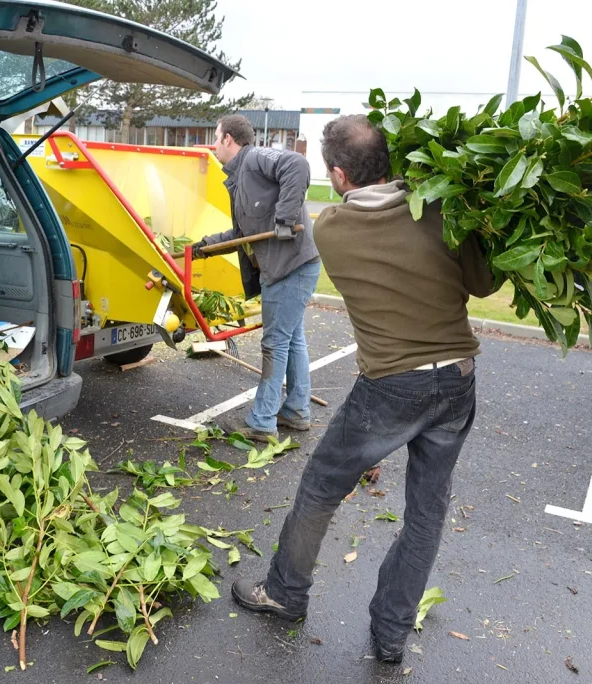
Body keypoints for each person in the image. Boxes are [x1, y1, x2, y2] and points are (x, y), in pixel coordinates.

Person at [230, 114, 498, 664]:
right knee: (427, 511)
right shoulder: (441, 210)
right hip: (457, 380)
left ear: (338, 174)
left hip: (390, 386)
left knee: (322, 487)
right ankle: (392, 634)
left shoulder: (332, 228)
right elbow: (484, 282)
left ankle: (284, 594)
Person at [192, 114, 321, 442]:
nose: (213, 145)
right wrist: (204, 248)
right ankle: (296, 411)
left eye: (216, 137)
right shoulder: (239, 179)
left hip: (289, 266)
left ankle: (262, 422)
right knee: (292, 339)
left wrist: (285, 218)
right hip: (294, 264)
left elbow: (297, 165)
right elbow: (242, 233)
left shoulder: (254, 159)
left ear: (229, 140)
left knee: (275, 342)